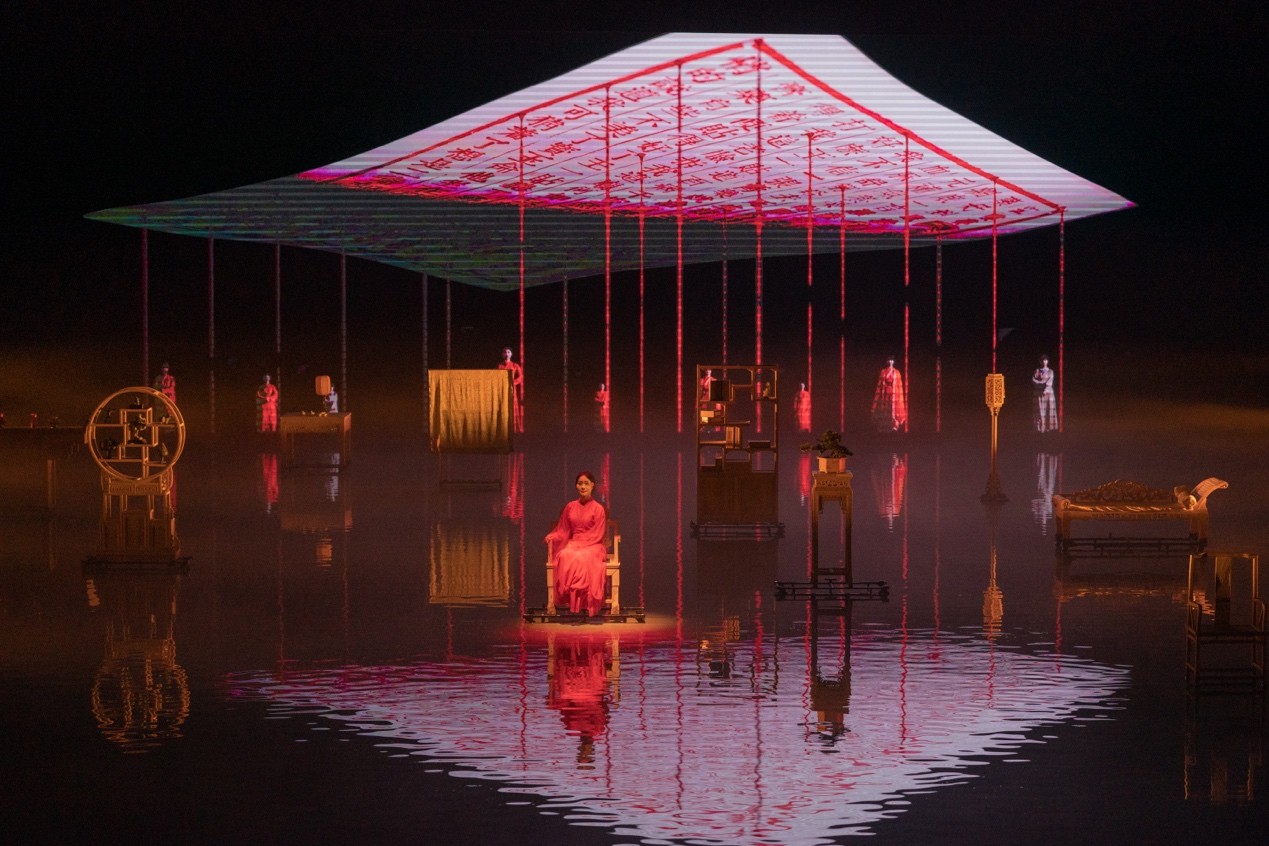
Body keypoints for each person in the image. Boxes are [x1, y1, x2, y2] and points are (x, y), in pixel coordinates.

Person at [546, 471, 609, 617]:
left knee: (582, 557)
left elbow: (598, 533)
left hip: (593, 545)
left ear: (592, 485)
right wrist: (554, 536)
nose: (583, 487)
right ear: (576, 486)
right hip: (574, 544)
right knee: (564, 555)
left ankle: (585, 601)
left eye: (586, 483)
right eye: (580, 483)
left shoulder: (598, 508)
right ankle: (570, 597)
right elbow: (563, 529)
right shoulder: (570, 506)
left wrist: (582, 544)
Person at [870, 358, 907, 432]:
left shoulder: (896, 372)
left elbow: (899, 385)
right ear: (887, 362)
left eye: (892, 361)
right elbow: (880, 384)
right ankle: (883, 424)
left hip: (894, 394)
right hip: (885, 393)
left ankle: (893, 424)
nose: (890, 362)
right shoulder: (883, 372)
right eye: (889, 361)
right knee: (885, 407)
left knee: (893, 408)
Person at [498, 347, 525, 432]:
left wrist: (513, 383)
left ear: (511, 354)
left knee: (512, 405)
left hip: (511, 388)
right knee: (503, 405)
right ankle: (503, 427)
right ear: (502, 354)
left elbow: (521, 377)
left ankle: (514, 427)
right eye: (505, 352)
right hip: (502, 388)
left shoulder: (515, 365)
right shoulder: (500, 365)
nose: (507, 354)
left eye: (508, 352)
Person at [1032, 355, 1057, 433]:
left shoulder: (1050, 371)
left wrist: (1045, 388)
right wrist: (1040, 384)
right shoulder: (1037, 370)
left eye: (1046, 360)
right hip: (1039, 392)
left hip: (1048, 392)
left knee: (1049, 409)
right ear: (1040, 361)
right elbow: (1034, 380)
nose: (1044, 362)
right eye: (1043, 360)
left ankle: (1050, 428)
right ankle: (1040, 428)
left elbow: (1050, 381)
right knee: (1040, 410)